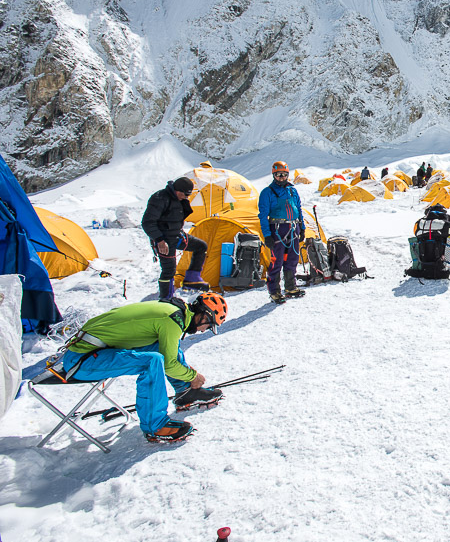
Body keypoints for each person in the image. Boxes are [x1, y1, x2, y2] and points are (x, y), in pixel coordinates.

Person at [59, 293, 228, 442]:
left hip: (92, 352)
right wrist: (193, 376)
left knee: (163, 348)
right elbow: (169, 365)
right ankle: (156, 426)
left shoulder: (175, 311)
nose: (204, 331)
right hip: (82, 361)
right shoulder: (172, 320)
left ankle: (186, 392)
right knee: (151, 361)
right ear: (204, 316)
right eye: (209, 326)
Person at [142, 177, 209, 299]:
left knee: (201, 246)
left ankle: (192, 279)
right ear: (177, 190)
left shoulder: (179, 199)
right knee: (169, 270)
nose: (186, 197)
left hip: (177, 236)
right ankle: (166, 298)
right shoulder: (159, 198)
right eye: (185, 194)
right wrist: (159, 240)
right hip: (164, 240)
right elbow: (147, 223)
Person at [258, 161, 306, 304]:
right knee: (276, 261)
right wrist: (267, 235)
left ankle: (291, 287)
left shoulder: (292, 191)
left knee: (292, 259)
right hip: (277, 229)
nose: (281, 177)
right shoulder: (267, 192)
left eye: (284, 174)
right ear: (273, 175)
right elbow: (263, 216)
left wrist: (302, 227)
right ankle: (275, 291)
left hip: (293, 228)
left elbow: (299, 209)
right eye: (278, 174)